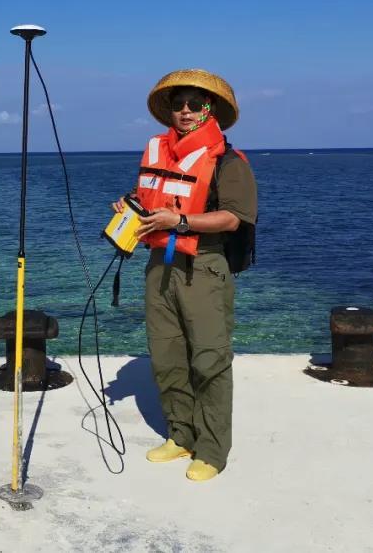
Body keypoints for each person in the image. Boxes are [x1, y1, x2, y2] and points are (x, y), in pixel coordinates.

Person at [112, 69, 257, 482]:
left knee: (209, 360)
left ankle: (212, 449)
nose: (186, 111)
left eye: (196, 104)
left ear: (211, 110)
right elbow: (152, 195)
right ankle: (181, 434)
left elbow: (234, 218)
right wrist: (129, 205)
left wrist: (179, 221)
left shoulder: (228, 162)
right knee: (167, 356)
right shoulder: (161, 153)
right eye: (179, 104)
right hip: (160, 266)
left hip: (204, 268)